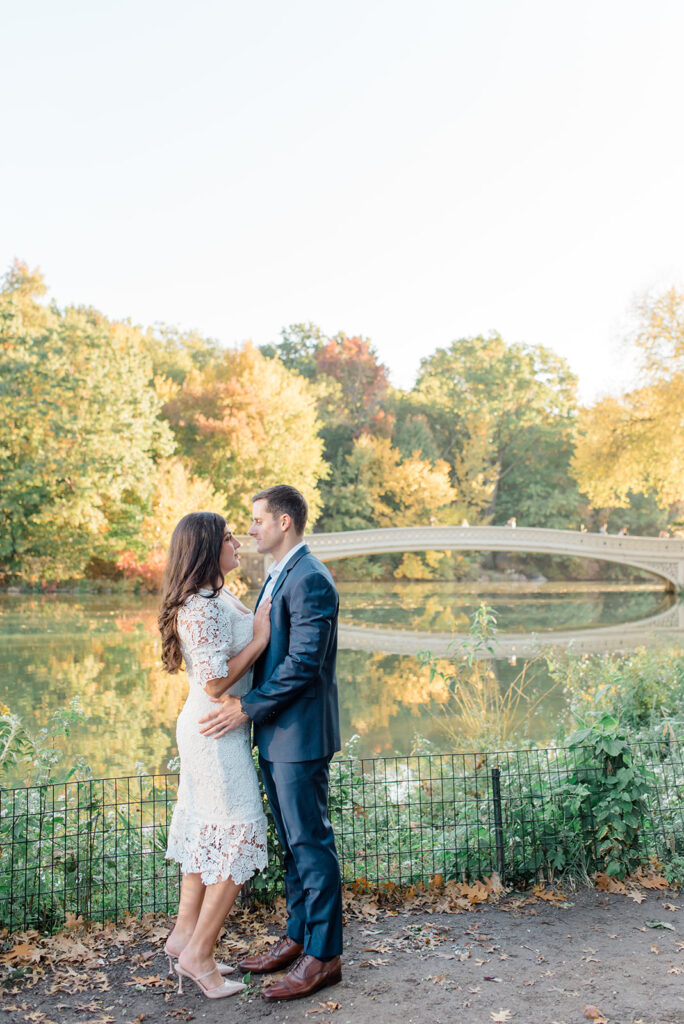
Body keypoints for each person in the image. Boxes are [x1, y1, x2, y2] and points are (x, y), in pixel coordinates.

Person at [199, 484, 343, 1002]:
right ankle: (298, 938)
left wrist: (246, 706)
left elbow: (303, 664)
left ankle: (324, 957)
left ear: (284, 522)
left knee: (311, 844)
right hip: (276, 734)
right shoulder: (278, 575)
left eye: (257, 520)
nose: (250, 529)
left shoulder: (311, 578)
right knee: (292, 845)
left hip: (299, 736)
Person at [158, 512, 272, 1000]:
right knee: (240, 829)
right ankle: (200, 955)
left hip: (213, 726)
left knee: (208, 826)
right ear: (207, 546)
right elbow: (214, 680)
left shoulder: (215, 594)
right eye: (228, 537)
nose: (238, 542)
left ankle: (184, 938)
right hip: (214, 728)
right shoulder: (200, 606)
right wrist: (262, 639)